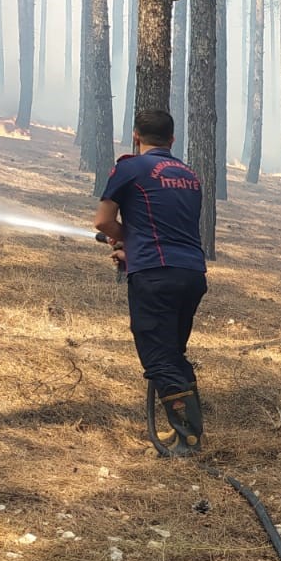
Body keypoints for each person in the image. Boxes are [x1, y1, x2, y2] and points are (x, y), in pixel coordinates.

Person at [94, 109, 208, 456]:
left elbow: (103, 222)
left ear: (135, 136)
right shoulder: (189, 175)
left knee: (158, 358)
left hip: (155, 276)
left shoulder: (129, 167)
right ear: (172, 140)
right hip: (191, 274)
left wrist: (129, 243)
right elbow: (171, 229)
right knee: (172, 353)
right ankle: (186, 433)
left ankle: (188, 441)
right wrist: (135, 249)